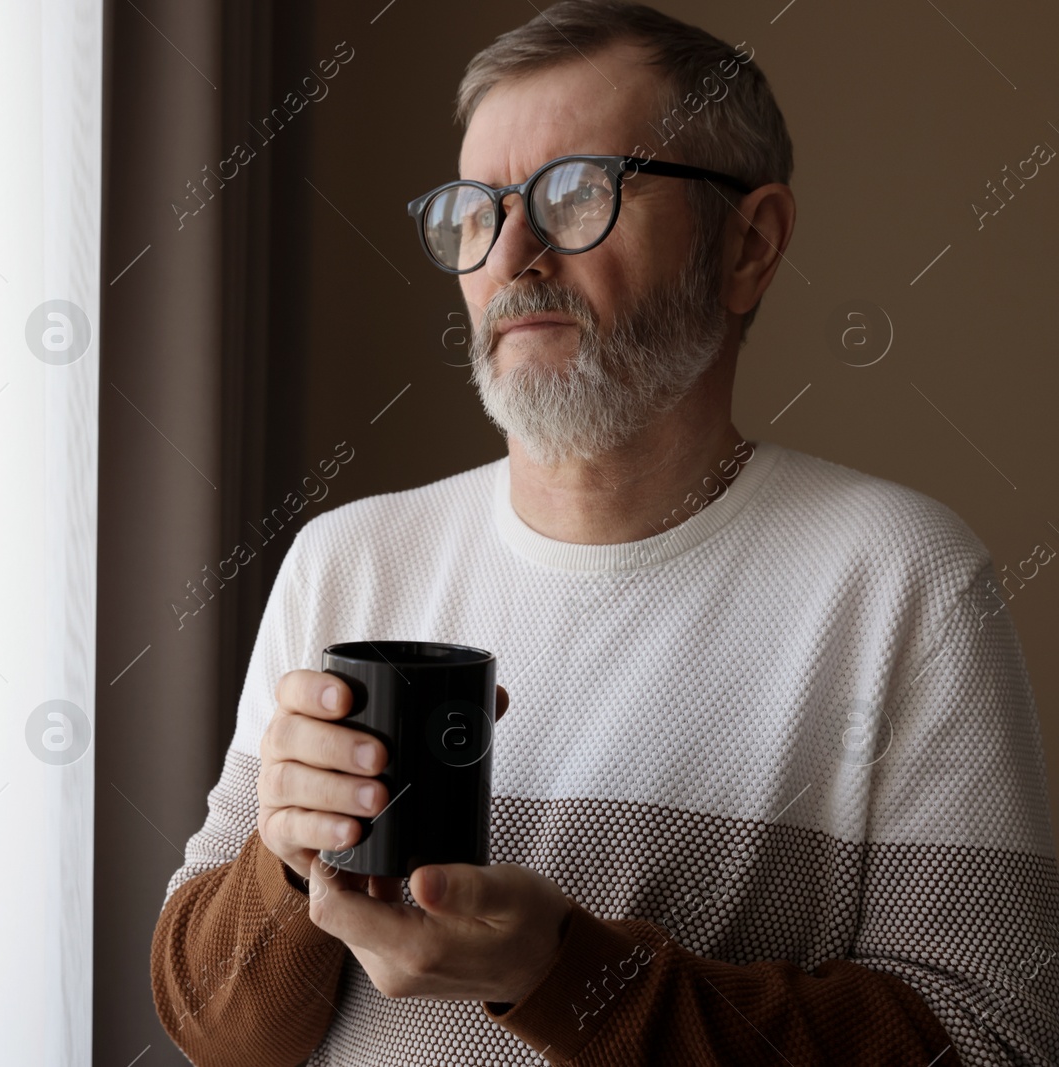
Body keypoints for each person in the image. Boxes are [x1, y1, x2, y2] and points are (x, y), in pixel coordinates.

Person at [148, 3, 1059, 1064]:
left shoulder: (902, 579)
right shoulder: (348, 560)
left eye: (578, 192)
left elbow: (989, 1041)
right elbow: (217, 1030)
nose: (513, 254)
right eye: (476, 209)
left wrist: (562, 976)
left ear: (749, 244)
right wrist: (288, 864)